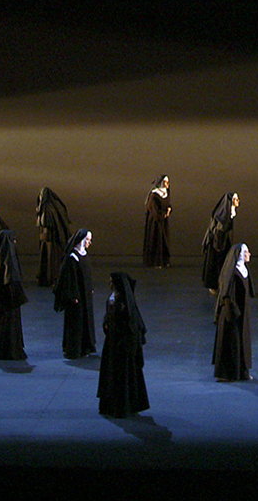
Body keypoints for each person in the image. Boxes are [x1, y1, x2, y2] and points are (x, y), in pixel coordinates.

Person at [97, 271, 149, 417]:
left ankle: (121, 406)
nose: (109, 284)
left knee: (120, 377)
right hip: (115, 344)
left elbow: (125, 324)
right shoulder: (116, 299)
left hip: (120, 346)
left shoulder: (123, 303)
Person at [0, 229, 27, 360]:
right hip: (8, 301)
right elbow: (11, 278)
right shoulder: (9, 257)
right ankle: (9, 350)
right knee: (9, 325)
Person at [53, 229, 97, 359]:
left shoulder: (84, 255)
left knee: (85, 321)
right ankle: (74, 349)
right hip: (77, 298)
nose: (89, 243)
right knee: (76, 324)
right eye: (87, 240)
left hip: (86, 296)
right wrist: (73, 296)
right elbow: (70, 280)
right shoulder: (73, 258)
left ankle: (85, 347)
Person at [213, 243, 253, 382]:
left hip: (242, 314)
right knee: (231, 342)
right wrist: (234, 313)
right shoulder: (232, 273)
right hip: (232, 315)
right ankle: (229, 373)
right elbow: (227, 295)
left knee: (241, 342)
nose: (249, 254)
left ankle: (242, 371)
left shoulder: (243, 270)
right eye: (246, 252)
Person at [200, 193, 238, 292]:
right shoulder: (223, 215)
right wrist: (218, 246)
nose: (238, 201)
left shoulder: (228, 211)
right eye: (235, 199)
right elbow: (219, 231)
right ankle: (214, 286)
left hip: (222, 241)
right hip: (217, 243)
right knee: (216, 264)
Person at [35, 187, 72, 288]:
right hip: (46, 239)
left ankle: (51, 278)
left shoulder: (48, 208)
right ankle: (46, 278)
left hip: (51, 240)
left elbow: (47, 223)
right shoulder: (45, 207)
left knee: (51, 260)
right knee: (47, 259)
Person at [143, 176, 172, 269]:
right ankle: (155, 262)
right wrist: (163, 214)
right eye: (166, 182)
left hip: (163, 221)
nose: (168, 184)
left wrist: (169, 209)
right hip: (155, 222)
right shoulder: (154, 195)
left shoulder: (167, 193)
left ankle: (164, 261)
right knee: (156, 240)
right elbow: (154, 210)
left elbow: (168, 204)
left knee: (164, 240)